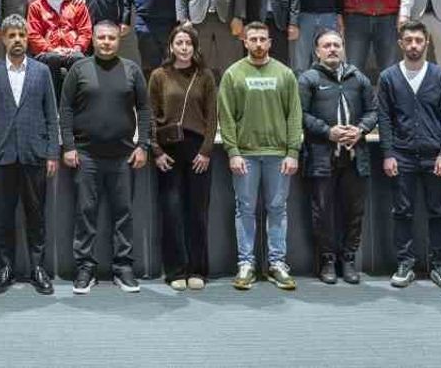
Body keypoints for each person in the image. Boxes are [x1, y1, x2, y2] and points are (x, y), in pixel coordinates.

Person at [60, 21, 151, 294]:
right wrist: (69, 146)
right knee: (85, 213)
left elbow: (144, 109)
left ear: (118, 40)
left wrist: (143, 145)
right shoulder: (79, 69)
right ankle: (85, 268)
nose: (107, 42)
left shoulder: (132, 70)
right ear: (93, 39)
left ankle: (123, 268)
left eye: (112, 37)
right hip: (86, 156)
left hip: (123, 156)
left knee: (123, 214)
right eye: (102, 37)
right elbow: (66, 109)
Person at [0, 14, 60, 295]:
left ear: (27, 38)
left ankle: (38, 268)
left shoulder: (42, 71)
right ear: (3, 39)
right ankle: (6, 268)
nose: (17, 40)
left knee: (36, 216)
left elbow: (51, 115)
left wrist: (52, 153)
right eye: (11, 35)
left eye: (21, 35)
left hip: (35, 155)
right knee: (4, 217)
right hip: (2, 157)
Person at [220, 22, 302, 291]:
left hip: (278, 155)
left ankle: (277, 263)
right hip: (245, 155)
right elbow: (226, 117)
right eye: (253, 39)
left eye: (262, 39)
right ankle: (246, 264)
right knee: (245, 209)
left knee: (277, 209)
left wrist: (292, 152)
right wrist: (233, 151)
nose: (258, 43)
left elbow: (294, 115)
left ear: (270, 42)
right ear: (244, 41)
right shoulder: (233, 74)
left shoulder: (285, 74)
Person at [376, 20, 441, 291]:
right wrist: (388, 153)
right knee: (402, 211)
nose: (414, 45)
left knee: (439, 212)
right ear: (401, 43)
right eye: (408, 40)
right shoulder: (388, 77)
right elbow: (384, 118)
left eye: (418, 40)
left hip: (435, 156)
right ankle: (405, 263)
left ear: (427, 43)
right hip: (401, 156)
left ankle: (439, 265)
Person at [299, 29, 375, 285]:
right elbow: (300, 114)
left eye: (336, 45)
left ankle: (349, 260)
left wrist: (361, 129)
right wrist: (327, 131)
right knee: (322, 212)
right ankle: (327, 261)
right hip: (321, 156)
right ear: (317, 51)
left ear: (343, 48)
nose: (332, 49)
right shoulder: (308, 79)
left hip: (355, 156)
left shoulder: (359, 78)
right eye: (327, 45)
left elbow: (374, 111)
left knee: (355, 212)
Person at [149, 24, 218, 290]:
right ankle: (176, 270)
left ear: (195, 47)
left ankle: (197, 269)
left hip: (197, 150)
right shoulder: (159, 76)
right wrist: (156, 151)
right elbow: (150, 115)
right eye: (179, 42)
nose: (184, 47)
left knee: (197, 212)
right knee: (172, 211)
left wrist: (206, 151)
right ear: (171, 46)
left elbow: (212, 117)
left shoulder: (205, 75)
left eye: (189, 43)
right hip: (168, 150)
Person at [27, 0, 92, 96]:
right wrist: (51, 49)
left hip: (72, 52)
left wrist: (76, 48)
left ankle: (74, 104)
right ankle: (53, 103)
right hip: (47, 53)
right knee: (53, 58)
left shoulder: (78, 5)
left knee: (79, 59)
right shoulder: (36, 6)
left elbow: (85, 32)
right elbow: (33, 34)